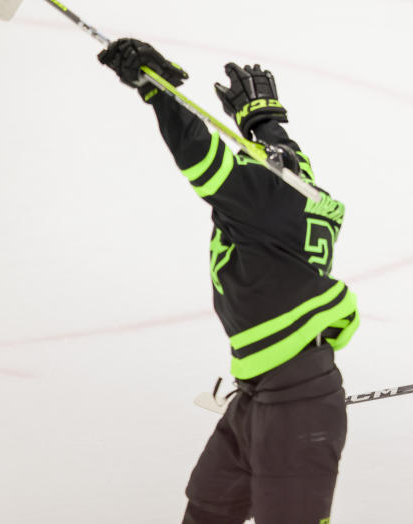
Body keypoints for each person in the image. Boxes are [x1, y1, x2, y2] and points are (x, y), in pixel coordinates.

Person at [98, 38, 359, 524]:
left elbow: (199, 154)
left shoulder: (258, 195)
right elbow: (283, 154)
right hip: (260, 392)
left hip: (296, 403)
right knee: (208, 508)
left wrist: (158, 91)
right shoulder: (297, 191)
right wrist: (262, 122)